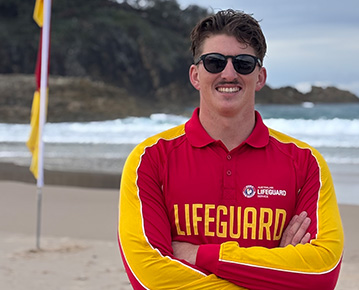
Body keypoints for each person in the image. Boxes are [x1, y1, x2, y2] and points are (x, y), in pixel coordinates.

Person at [118, 9, 344, 290]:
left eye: (243, 63)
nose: (228, 73)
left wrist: (199, 254)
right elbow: (149, 275)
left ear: (260, 77)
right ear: (195, 75)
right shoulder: (150, 159)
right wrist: (276, 271)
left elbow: (322, 272)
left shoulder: (306, 163)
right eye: (214, 62)